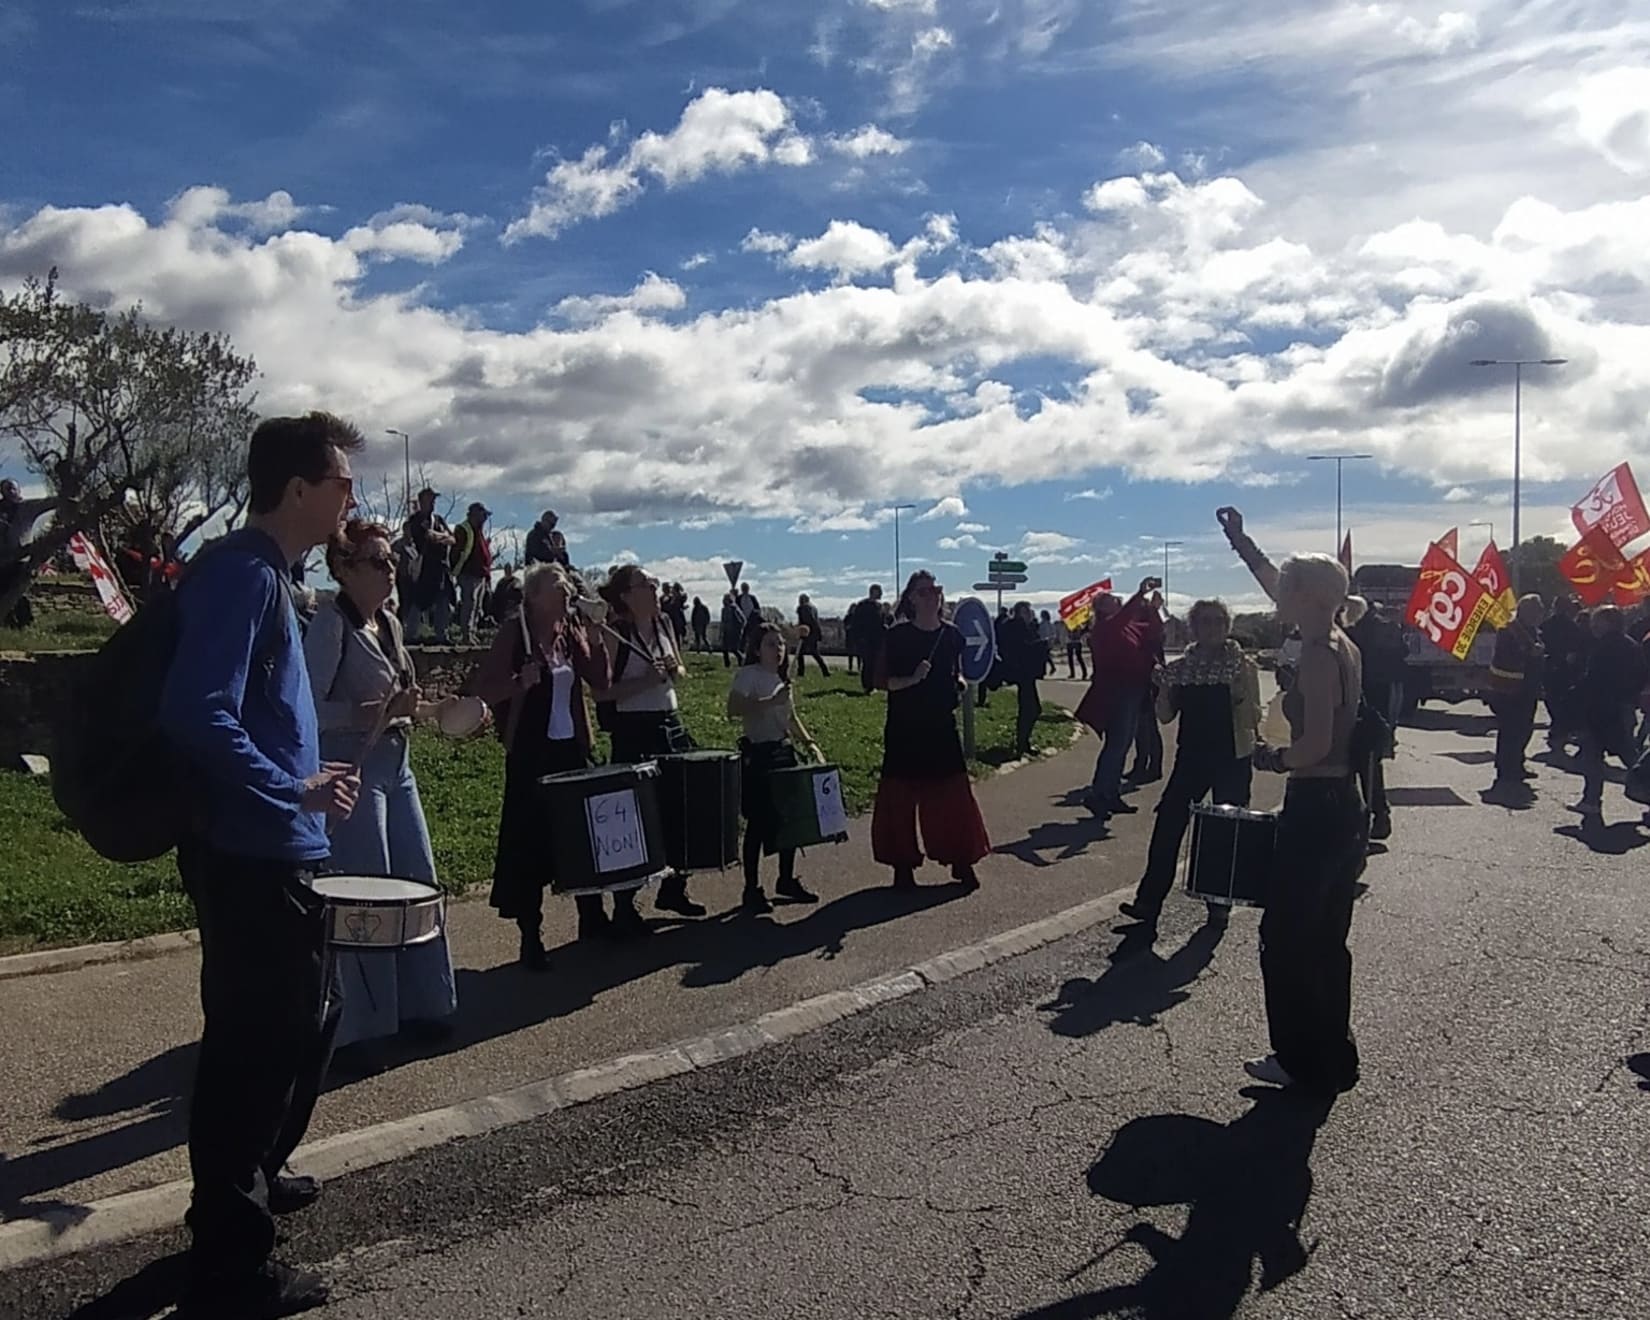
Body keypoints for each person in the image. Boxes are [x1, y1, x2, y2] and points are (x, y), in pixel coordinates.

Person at [156, 412, 365, 1317]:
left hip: (278, 848)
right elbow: (196, 711)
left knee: (306, 1023)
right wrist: (293, 789)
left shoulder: (277, 579)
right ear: (298, 491)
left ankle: (259, 1172)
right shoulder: (241, 575)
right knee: (251, 1049)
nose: (352, 495)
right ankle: (230, 1262)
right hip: (250, 854)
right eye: (342, 481)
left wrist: (303, 786)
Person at [1219, 505, 1365, 1096]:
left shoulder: (1317, 654)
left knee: (1285, 939)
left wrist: (1272, 758)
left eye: (1285, 588)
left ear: (1304, 596)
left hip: (1317, 801)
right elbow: (1274, 579)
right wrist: (1241, 542)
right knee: (1327, 940)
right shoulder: (1340, 640)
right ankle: (1332, 1057)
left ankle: (1300, 1058)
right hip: (1344, 805)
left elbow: (1316, 745)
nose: (1275, 593)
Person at [304, 519, 457, 1047]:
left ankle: (424, 1005)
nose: (391, 569)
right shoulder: (330, 624)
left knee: (417, 879)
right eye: (377, 560)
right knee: (367, 893)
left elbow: (402, 705)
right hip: (352, 766)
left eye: (392, 560)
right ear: (343, 569)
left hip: (397, 762)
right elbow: (310, 711)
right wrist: (369, 709)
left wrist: (444, 712)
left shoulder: (388, 624)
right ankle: (362, 1027)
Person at [474, 561, 632, 966]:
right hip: (531, 751)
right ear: (534, 595)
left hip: (571, 748)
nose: (566, 592)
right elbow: (484, 690)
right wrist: (517, 683)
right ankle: (531, 936)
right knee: (530, 842)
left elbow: (600, 680)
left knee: (579, 834)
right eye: (556, 586)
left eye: (566, 586)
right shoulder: (516, 633)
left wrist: (596, 638)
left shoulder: (569, 632)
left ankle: (592, 917)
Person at [1119, 599, 1261, 932]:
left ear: (1227, 626)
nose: (1211, 627)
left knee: (1224, 834)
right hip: (1191, 758)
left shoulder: (1243, 666)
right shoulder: (1181, 668)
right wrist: (1164, 688)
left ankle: (1219, 905)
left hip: (1232, 758)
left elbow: (1253, 715)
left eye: (1217, 621)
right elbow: (1165, 716)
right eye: (1203, 622)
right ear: (1192, 627)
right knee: (1168, 825)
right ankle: (1148, 903)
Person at [872, 571, 990, 888]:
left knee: (953, 794)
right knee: (900, 798)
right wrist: (911, 680)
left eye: (936, 589)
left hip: (941, 725)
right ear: (912, 598)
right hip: (905, 727)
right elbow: (880, 681)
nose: (933, 595)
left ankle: (961, 860)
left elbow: (958, 672)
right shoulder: (897, 637)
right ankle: (902, 866)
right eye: (925, 591)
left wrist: (961, 683)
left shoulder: (952, 636)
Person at [602, 564, 705, 917]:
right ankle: (625, 905)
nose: (654, 589)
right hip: (634, 728)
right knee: (638, 814)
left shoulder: (664, 623)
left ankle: (674, 887)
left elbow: (678, 667)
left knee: (685, 803)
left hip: (668, 721)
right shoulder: (616, 633)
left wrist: (674, 670)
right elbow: (602, 693)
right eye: (646, 584)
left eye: (654, 583)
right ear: (627, 595)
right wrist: (647, 681)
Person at [727, 622, 823, 911]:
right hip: (759, 755)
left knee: (789, 820)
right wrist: (770, 701)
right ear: (757, 649)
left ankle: (786, 879)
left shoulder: (783, 678)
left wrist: (809, 743)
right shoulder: (749, 675)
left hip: (784, 751)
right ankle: (752, 888)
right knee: (758, 824)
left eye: (781, 644)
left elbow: (790, 718)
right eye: (770, 644)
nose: (778, 649)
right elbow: (733, 709)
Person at [1075, 578, 1165, 819]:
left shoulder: (1127, 625)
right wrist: (1140, 593)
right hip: (1117, 691)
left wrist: (1154, 610)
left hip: (1134, 689)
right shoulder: (1104, 627)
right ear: (1101, 609)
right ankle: (1099, 794)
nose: (1115, 599)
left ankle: (1109, 793)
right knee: (1116, 745)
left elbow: (1153, 633)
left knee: (1122, 744)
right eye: (1108, 599)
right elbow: (1125, 617)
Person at [1573, 605, 1646, 822]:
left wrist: (1574, 696)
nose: (1593, 625)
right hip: (1621, 706)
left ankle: (1591, 801)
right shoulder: (1630, 645)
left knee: (1594, 756)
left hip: (1601, 708)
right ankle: (1590, 800)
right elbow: (1642, 675)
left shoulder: (1605, 646)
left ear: (1610, 622)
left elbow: (1593, 679)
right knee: (1629, 754)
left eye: (1598, 621)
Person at [1346, 597, 1406, 838]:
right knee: (1366, 763)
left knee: (1364, 763)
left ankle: (1375, 816)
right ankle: (1373, 816)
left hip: (1368, 701)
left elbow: (1399, 655)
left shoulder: (1364, 629)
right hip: (1366, 701)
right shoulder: (1382, 628)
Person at [1486, 594, 1546, 801]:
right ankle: (1506, 768)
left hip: (1527, 689)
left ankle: (1517, 763)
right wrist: (1529, 653)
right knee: (1510, 730)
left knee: (1524, 729)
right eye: (1535, 610)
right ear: (1524, 611)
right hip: (1509, 690)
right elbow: (1506, 657)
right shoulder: (1508, 630)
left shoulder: (1532, 631)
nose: (1539, 615)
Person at [402, 487, 456, 644]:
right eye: (429, 499)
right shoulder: (416, 520)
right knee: (419, 601)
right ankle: (411, 635)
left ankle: (442, 635)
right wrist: (442, 537)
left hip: (442, 567)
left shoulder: (438, 519)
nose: (432, 503)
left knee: (444, 601)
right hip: (426, 566)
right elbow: (426, 536)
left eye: (433, 500)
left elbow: (452, 539)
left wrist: (441, 536)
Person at [0, 476, 54, 628]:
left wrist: (65, 497)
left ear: (18, 490)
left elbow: (47, 503)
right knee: (3, 591)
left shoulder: (26, 507)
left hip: (21, 558)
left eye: (12, 488)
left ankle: (25, 623)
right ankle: (7, 622)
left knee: (18, 592)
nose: (10, 491)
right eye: (6, 489)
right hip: (2, 559)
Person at [1126, 597, 1167, 785]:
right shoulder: (1144, 627)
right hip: (1139, 680)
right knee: (1141, 728)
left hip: (1148, 681)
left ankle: (1154, 767)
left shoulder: (1150, 627)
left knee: (1148, 727)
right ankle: (1141, 764)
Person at [999, 601, 1047, 760]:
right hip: (1022, 673)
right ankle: (1022, 744)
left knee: (1030, 709)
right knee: (1031, 709)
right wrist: (1044, 644)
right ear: (1020, 612)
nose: (1030, 614)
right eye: (1027, 611)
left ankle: (1023, 742)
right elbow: (1023, 648)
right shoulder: (1016, 627)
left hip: (1025, 674)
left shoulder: (1022, 626)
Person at [1541, 596, 1587, 754]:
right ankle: (1559, 730)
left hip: (1549, 668)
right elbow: (1577, 650)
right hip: (1565, 671)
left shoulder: (1545, 625)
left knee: (1552, 702)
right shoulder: (1572, 627)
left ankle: (1558, 730)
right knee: (1561, 703)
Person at [451, 501, 493, 644]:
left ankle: (472, 632)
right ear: (475, 514)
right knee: (469, 603)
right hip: (468, 573)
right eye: (483, 514)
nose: (485, 518)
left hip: (480, 574)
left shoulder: (479, 531)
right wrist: (456, 571)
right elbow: (456, 552)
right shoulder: (463, 529)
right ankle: (466, 634)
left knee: (477, 606)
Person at [849, 584, 888, 692]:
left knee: (874, 662)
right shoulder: (862, 605)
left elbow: (882, 622)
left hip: (877, 639)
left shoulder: (879, 607)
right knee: (867, 662)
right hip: (865, 639)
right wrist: (858, 638)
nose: (881, 594)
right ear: (874, 591)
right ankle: (867, 685)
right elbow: (856, 623)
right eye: (879, 591)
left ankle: (872, 684)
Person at [795, 593, 829, 677]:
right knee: (815, 653)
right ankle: (825, 670)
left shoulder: (802, 608)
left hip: (806, 632)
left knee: (801, 653)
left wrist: (802, 631)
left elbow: (806, 621)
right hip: (814, 632)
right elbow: (815, 621)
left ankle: (801, 672)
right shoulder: (813, 608)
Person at [719, 592, 743, 667]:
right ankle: (727, 664)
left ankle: (741, 659)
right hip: (726, 631)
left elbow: (742, 620)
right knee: (724, 649)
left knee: (734, 649)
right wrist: (721, 632)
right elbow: (723, 622)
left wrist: (738, 629)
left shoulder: (734, 608)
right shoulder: (724, 609)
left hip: (733, 631)